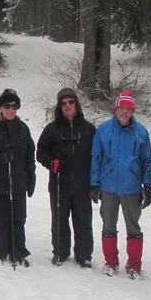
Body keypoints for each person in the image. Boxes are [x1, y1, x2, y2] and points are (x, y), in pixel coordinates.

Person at [88, 91, 151, 278]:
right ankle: (111, 262)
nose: (124, 112)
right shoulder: (104, 129)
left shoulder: (140, 132)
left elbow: (147, 161)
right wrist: (94, 183)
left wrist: (147, 186)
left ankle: (134, 265)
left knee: (133, 226)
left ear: (132, 110)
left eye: (128, 109)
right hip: (108, 186)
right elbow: (96, 157)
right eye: (121, 108)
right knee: (108, 224)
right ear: (115, 108)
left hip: (131, 187)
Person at [37, 88, 96, 267]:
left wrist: (96, 182)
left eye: (71, 102)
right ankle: (60, 252)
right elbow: (40, 152)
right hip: (59, 184)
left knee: (83, 221)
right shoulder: (52, 129)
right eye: (64, 103)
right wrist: (51, 162)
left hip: (82, 184)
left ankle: (84, 254)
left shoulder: (89, 129)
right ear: (59, 107)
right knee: (59, 220)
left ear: (76, 104)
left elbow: (98, 156)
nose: (68, 106)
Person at [0, 88, 36, 267]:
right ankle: (0, 251)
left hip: (18, 182)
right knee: (0, 218)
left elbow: (29, 156)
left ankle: (18, 251)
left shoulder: (23, 129)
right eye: (7, 106)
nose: (11, 109)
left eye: (14, 106)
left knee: (19, 218)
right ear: (0, 107)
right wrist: (0, 158)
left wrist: (31, 178)